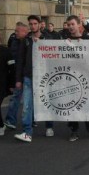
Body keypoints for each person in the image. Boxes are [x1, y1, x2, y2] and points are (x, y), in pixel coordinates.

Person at [13, 15, 54, 143]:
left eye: (35, 23)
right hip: (28, 77)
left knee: (46, 102)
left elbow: (56, 53)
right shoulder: (26, 40)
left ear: (40, 24)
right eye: (30, 24)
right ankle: (27, 131)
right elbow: (20, 60)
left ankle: (49, 126)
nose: (32, 26)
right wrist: (18, 79)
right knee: (27, 105)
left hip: (45, 77)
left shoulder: (47, 38)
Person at [4, 22, 29, 130]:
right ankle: (10, 120)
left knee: (29, 100)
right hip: (17, 73)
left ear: (24, 31)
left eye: (17, 31)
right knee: (15, 97)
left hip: (28, 74)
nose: (15, 33)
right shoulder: (14, 41)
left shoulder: (30, 42)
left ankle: (30, 120)